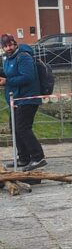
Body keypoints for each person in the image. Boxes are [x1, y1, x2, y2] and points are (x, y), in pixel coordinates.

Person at [0, 33, 46, 170]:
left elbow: (28, 77)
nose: (8, 48)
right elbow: (9, 72)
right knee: (14, 128)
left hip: (27, 98)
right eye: (5, 46)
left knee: (22, 128)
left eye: (10, 45)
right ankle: (24, 158)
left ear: (15, 44)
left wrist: (7, 81)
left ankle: (38, 157)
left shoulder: (23, 56)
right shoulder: (7, 59)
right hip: (15, 99)